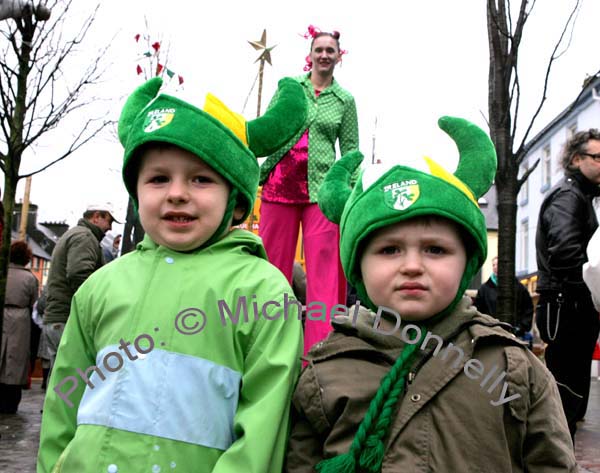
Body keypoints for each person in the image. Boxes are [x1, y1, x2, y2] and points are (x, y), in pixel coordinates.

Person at [38, 76, 306, 472]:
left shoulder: (263, 291)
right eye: (159, 178)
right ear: (137, 193)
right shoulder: (101, 286)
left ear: (235, 202)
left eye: (201, 179)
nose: (177, 193)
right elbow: (63, 402)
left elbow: (263, 425)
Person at [285, 117, 576, 472]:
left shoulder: (511, 366)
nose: (412, 265)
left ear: (467, 263)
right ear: (358, 268)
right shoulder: (326, 370)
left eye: (435, 250)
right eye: (389, 250)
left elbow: (552, 463)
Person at [258, 25, 359, 354]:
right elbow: (272, 127)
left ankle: (321, 352)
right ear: (310, 54)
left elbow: (353, 152)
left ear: (339, 56)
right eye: (320, 49)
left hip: (322, 193)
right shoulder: (290, 89)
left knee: (325, 274)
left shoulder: (345, 100)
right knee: (271, 269)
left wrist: (349, 193)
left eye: (331, 50)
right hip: (279, 186)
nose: (325, 55)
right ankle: (264, 342)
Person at [535, 129, 600, 441]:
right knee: (567, 385)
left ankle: (560, 445)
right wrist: (590, 287)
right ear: (577, 159)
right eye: (598, 158)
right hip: (566, 304)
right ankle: (555, 451)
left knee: (571, 385)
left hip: (570, 302)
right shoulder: (569, 196)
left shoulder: (578, 196)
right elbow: (564, 251)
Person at [40, 202, 119, 372]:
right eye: (109, 221)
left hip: (57, 317)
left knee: (60, 379)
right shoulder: (85, 237)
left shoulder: (76, 235)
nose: (110, 228)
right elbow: (79, 275)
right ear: (97, 216)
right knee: (70, 380)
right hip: (66, 318)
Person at [0, 241, 38, 414]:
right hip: (21, 318)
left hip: (4, 313)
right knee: (17, 358)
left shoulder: (3, 273)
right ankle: (11, 401)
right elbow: (33, 301)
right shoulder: (30, 278)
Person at [474, 256, 534, 340]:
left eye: (498, 264)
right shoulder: (484, 289)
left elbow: (528, 309)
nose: (495, 267)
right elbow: (478, 311)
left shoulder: (519, 288)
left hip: (516, 335)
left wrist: (521, 328)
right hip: (490, 335)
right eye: (493, 265)